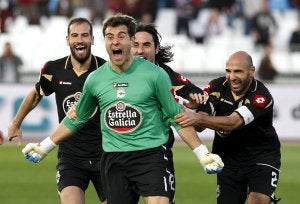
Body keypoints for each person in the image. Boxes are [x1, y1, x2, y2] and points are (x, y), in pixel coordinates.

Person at [21, 13, 224, 204]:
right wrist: (44, 147)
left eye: (121, 36)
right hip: (113, 159)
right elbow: (77, 118)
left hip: (151, 156)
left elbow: (176, 117)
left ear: (130, 40)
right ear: (105, 43)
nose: (115, 41)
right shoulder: (95, 79)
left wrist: (202, 154)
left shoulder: (155, 75)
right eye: (110, 37)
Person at [8, 17, 107, 204]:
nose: (80, 40)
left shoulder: (106, 70)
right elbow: (36, 94)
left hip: (106, 154)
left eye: (85, 35)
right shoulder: (53, 69)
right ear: (67, 40)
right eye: (75, 35)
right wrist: (15, 123)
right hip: (71, 156)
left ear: (92, 40)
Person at [174, 51, 281, 204]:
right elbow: (200, 125)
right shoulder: (217, 86)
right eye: (228, 71)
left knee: (257, 200)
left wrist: (197, 117)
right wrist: (183, 110)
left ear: (251, 71)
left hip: (261, 157)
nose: (232, 77)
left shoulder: (261, 96)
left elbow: (233, 122)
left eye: (238, 71)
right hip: (228, 158)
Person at [131, 22, 206, 203]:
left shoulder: (166, 75)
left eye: (146, 45)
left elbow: (198, 95)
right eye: (136, 45)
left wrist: (194, 104)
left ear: (156, 49)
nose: (140, 50)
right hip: (120, 153)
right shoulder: (115, 71)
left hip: (156, 152)